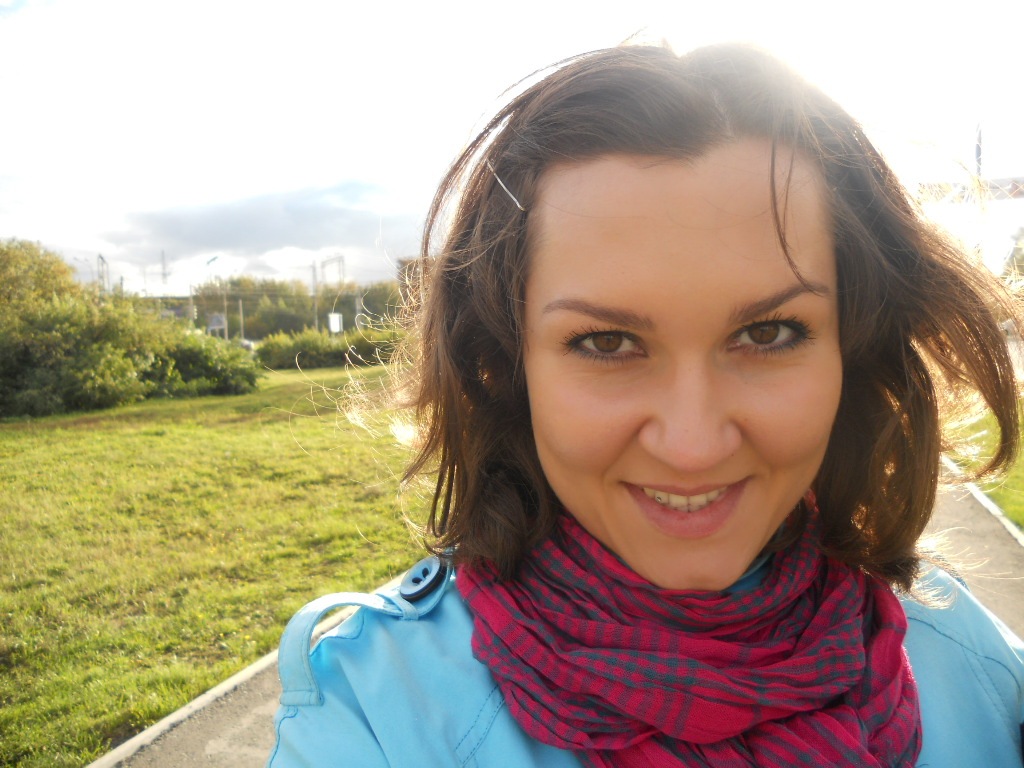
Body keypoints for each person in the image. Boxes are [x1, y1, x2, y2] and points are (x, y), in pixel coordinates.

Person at [267, 44, 1024, 767]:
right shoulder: (374, 715)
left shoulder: (969, 655)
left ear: (852, 351)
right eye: (607, 343)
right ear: (506, 366)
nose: (693, 445)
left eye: (767, 333)